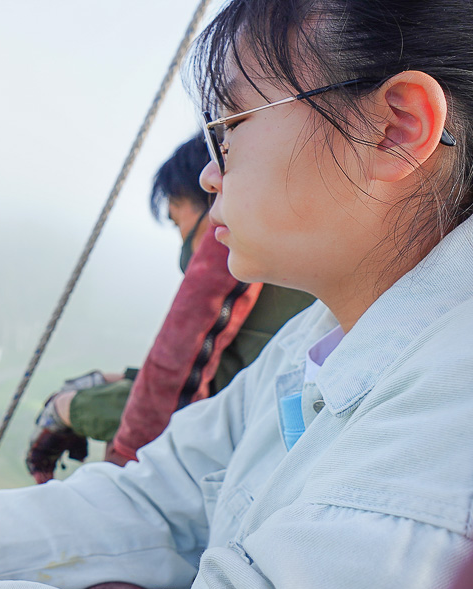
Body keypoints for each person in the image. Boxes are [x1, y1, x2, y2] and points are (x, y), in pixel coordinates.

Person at [0, 0, 473, 589]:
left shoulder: (451, 418)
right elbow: (167, 489)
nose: (211, 171)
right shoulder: (319, 335)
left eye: (231, 126)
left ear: (396, 130)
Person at [27, 137, 314, 483]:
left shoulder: (265, 282)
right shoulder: (294, 271)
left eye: (179, 223)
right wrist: (117, 381)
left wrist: (69, 408)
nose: (183, 248)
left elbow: (199, 409)